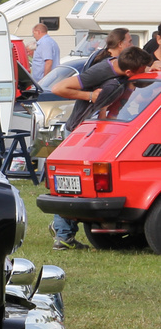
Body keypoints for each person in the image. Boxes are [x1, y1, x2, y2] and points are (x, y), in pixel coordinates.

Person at [47, 45, 157, 248]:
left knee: (77, 185)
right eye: (144, 70)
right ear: (130, 72)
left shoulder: (123, 72)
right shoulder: (99, 72)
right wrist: (89, 96)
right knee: (71, 184)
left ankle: (62, 229)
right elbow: (58, 88)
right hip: (79, 130)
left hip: (97, 130)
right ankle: (63, 235)